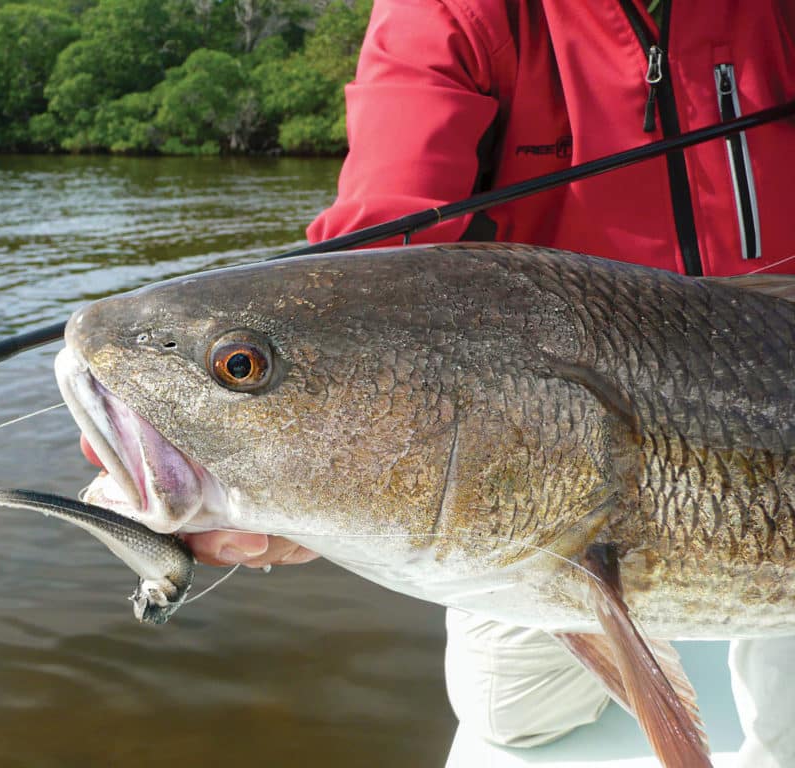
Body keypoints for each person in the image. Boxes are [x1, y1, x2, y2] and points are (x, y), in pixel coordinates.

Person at [97, 0, 795, 763]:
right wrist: (269, 452)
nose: (237, 375)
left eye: (240, 369)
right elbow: (387, 233)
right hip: (552, 435)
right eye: (243, 369)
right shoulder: (455, 11)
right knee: (515, 719)